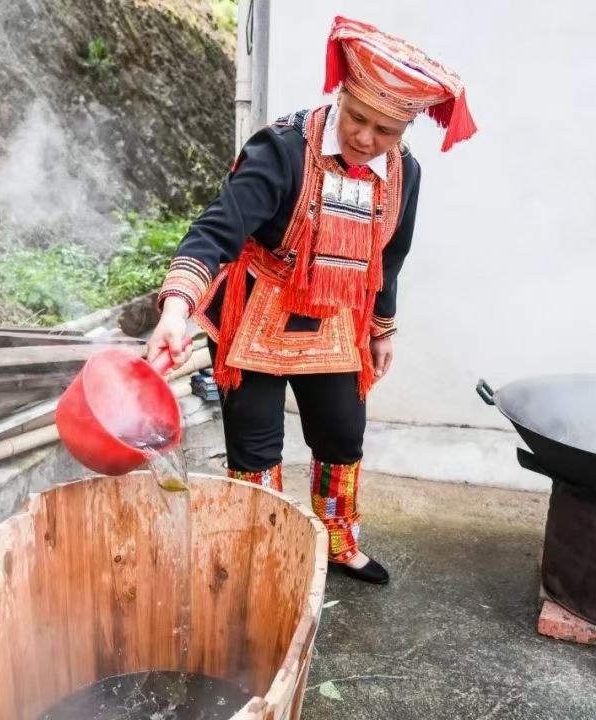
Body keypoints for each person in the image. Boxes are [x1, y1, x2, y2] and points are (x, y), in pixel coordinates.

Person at [148, 16, 477, 583]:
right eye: (357, 118)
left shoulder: (404, 174)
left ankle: (336, 540)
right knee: (256, 445)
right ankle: (265, 558)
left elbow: (387, 257)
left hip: (336, 317)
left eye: (386, 130)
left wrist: (383, 328)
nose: (366, 138)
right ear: (340, 95)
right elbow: (216, 232)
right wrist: (176, 310)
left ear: (405, 132)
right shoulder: (282, 149)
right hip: (257, 310)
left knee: (342, 432)